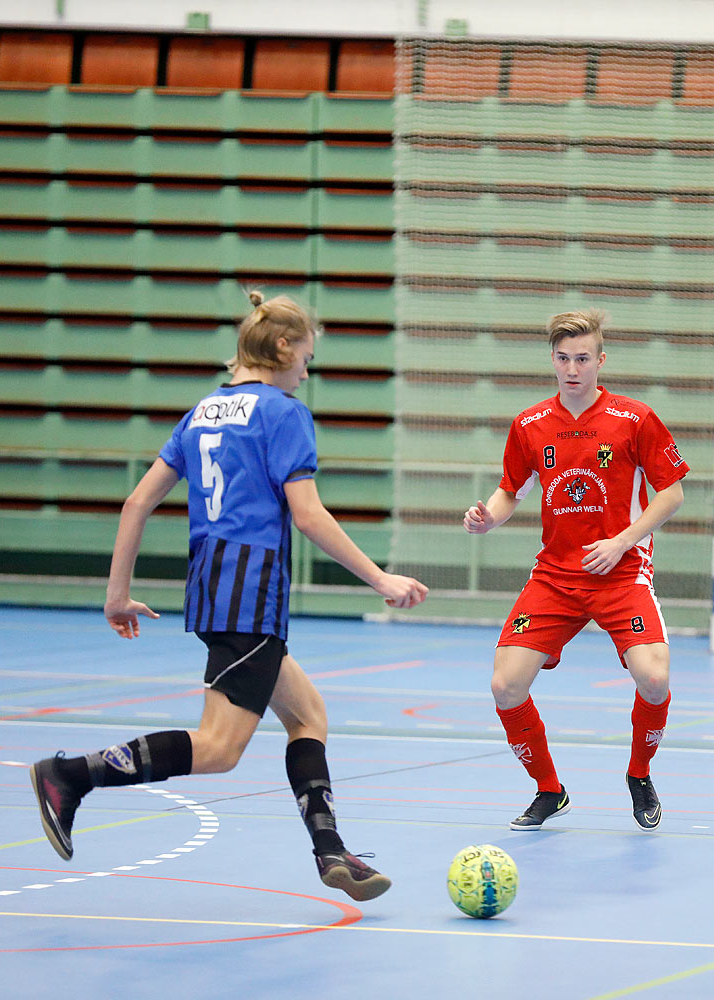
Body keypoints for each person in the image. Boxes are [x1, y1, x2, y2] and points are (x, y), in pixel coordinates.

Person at [29, 291, 428, 901]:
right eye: (307, 359)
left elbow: (137, 501)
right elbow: (308, 514)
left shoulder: (201, 413)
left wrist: (117, 595)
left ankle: (330, 851)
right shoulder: (283, 412)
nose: (306, 372)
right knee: (218, 748)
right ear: (283, 347)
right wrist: (382, 579)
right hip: (252, 591)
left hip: (213, 585)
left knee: (308, 715)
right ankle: (71, 775)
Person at [463, 309, 688, 832]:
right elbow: (509, 492)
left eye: (582, 358)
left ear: (600, 360)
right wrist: (486, 519)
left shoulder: (635, 419)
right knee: (505, 686)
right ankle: (549, 789)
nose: (572, 368)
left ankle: (638, 773)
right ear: (553, 361)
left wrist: (623, 540)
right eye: (563, 359)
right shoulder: (529, 425)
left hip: (622, 571)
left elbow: (672, 494)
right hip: (555, 577)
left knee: (654, 679)